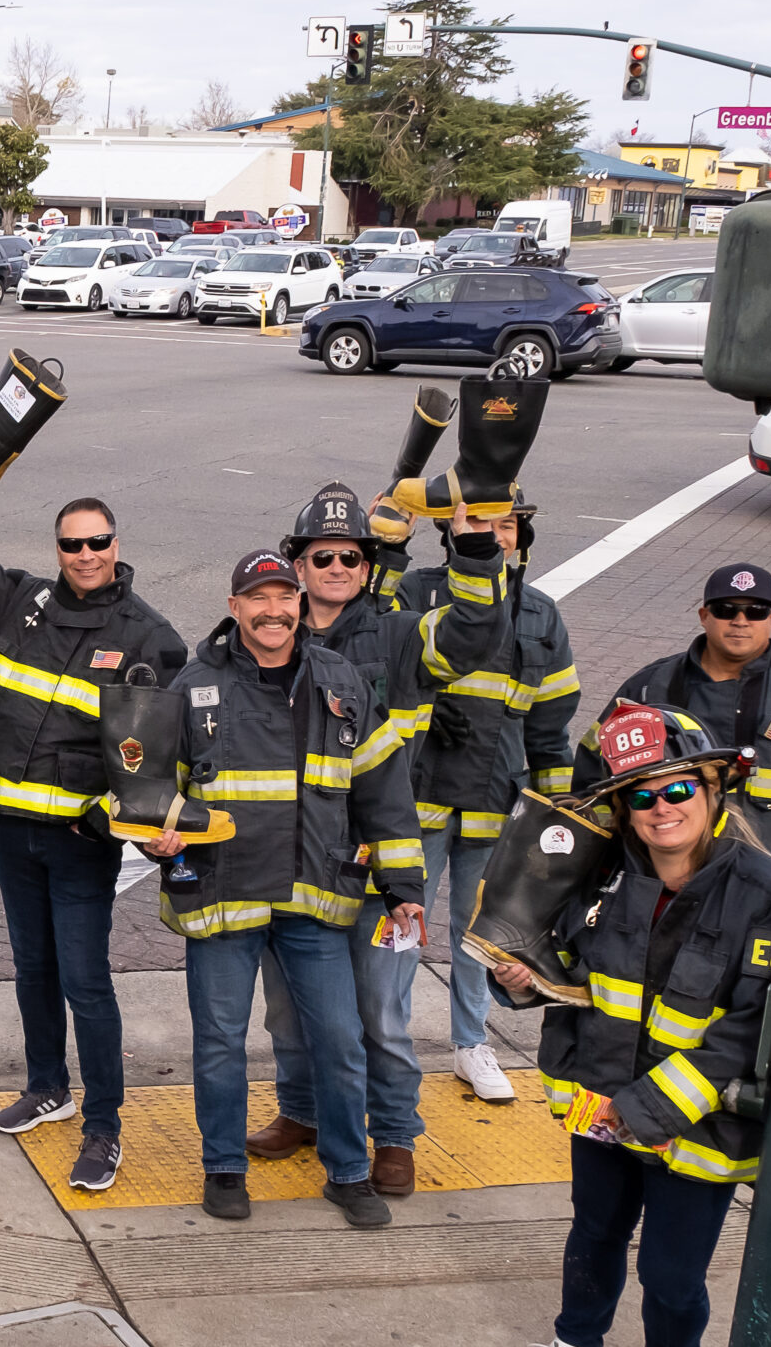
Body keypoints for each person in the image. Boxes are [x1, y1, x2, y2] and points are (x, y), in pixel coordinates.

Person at [493, 705, 771, 1347]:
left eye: (676, 791)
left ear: (713, 787)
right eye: (640, 795)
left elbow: (752, 1026)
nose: (661, 809)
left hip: (698, 1120)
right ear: (622, 809)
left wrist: (653, 1106)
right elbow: (566, 970)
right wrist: (525, 981)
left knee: (672, 1268)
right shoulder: (594, 875)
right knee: (594, 1232)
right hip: (602, 1104)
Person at [0, 449, 184, 1192]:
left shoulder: (148, 637)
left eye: (99, 542)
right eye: (73, 543)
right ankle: (47, 1087)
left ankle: (104, 1128)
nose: (87, 554)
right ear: (57, 549)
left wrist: (99, 822)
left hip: (78, 846)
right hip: (12, 834)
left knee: (86, 982)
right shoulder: (23, 601)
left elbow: (156, 759)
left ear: (117, 546)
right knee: (33, 970)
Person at [139, 552, 426, 1227]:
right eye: (257, 598)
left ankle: (350, 1173)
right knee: (218, 1041)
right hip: (222, 899)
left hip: (313, 901)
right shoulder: (194, 686)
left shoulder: (340, 680)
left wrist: (404, 884)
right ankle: (224, 1169)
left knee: (339, 1038)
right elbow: (153, 785)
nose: (273, 611)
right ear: (234, 606)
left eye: (283, 598)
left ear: (299, 604)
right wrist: (157, 831)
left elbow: (384, 789)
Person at [253, 486, 525, 1195]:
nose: (337, 565)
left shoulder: (403, 635)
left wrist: (470, 550)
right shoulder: (276, 633)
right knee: (288, 1009)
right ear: (299, 564)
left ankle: (395, 1134)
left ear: (368, 564)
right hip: (291, 863)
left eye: (350, 555)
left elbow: (474, 633)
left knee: (379, 1010)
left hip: (377, 868)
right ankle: (303, 1112)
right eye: (323, 555)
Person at [576, 562, 771, 1212]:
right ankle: (640, 1135)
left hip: (764, 909)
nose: (740, 620)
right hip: (669, 905)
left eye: (755, 611)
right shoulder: (650, 685)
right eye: (726, 608)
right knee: (663, 1034)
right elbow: (593, 778)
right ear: (702, 614)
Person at [390, 495, 580, 1104]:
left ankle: (472, 1044)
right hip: (415, 800)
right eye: (481, 524)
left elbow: (551, 728)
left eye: (507, 525)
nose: (495, 537)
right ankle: (384, 1046)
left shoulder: (541, 615)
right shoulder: (414, 593)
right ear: (451, 533)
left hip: (495, 803)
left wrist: (557, 831)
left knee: (480, 935)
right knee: (396, 932)